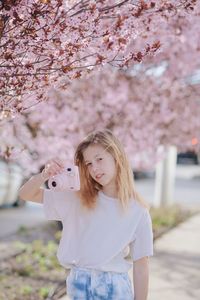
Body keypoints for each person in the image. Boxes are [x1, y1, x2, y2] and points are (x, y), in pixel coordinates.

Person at [19, 129, 153, 300]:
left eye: (99, 159)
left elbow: (141, 266)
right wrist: (44, 175)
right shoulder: (77, 198)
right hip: (78, 285)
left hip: (114, 289)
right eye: (89, 163)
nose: (94, 168)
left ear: (117, 157)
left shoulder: (138, 210)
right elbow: (26, 194)